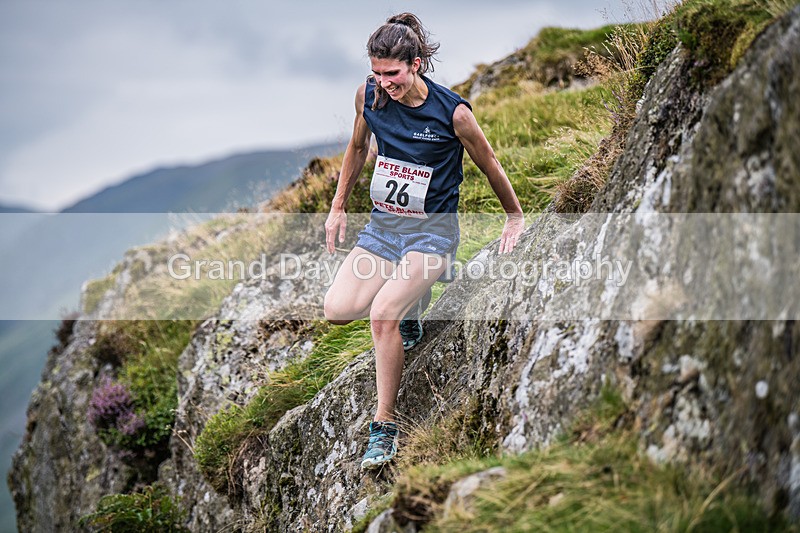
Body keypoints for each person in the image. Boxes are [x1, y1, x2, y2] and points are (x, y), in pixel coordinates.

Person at [323, 12, 524, 470]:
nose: (383, 83)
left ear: (416, 65)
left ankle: (384, 425)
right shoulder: (369, 97)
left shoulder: (453, 113)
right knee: (338, 310)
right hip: (383, 231)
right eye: (376, 73)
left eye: (391, 74)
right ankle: (412, 301)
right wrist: (337, 206)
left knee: (382, 315)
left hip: (431, 237)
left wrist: (514, 217)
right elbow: (357, 148)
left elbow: (489, 162)